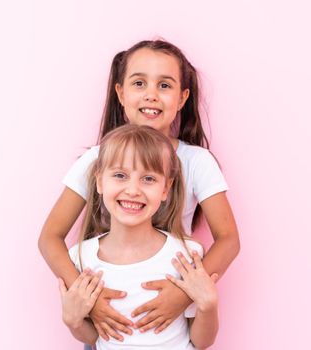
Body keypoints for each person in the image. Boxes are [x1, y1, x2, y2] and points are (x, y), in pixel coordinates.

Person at [38, 39, 239, 342]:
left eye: (165, 85)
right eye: (139, 83)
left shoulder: (196, 161)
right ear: (120, 92)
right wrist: (88, 299)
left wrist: (183, 294)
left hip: (168, 322)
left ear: (183, 97)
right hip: (111, 321)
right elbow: (50, 237)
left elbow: (228, 239)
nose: (151, 95)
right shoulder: (96, 159)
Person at [58, 125, 219, 349]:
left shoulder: (184, 255)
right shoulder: (80, 257)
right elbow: (94, 337)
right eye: (120, 176)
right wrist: (73, 321)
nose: (133, 190)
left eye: (148, 179)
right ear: (99, 181)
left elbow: (202, 341)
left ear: (165, 189)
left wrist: (208, 306)